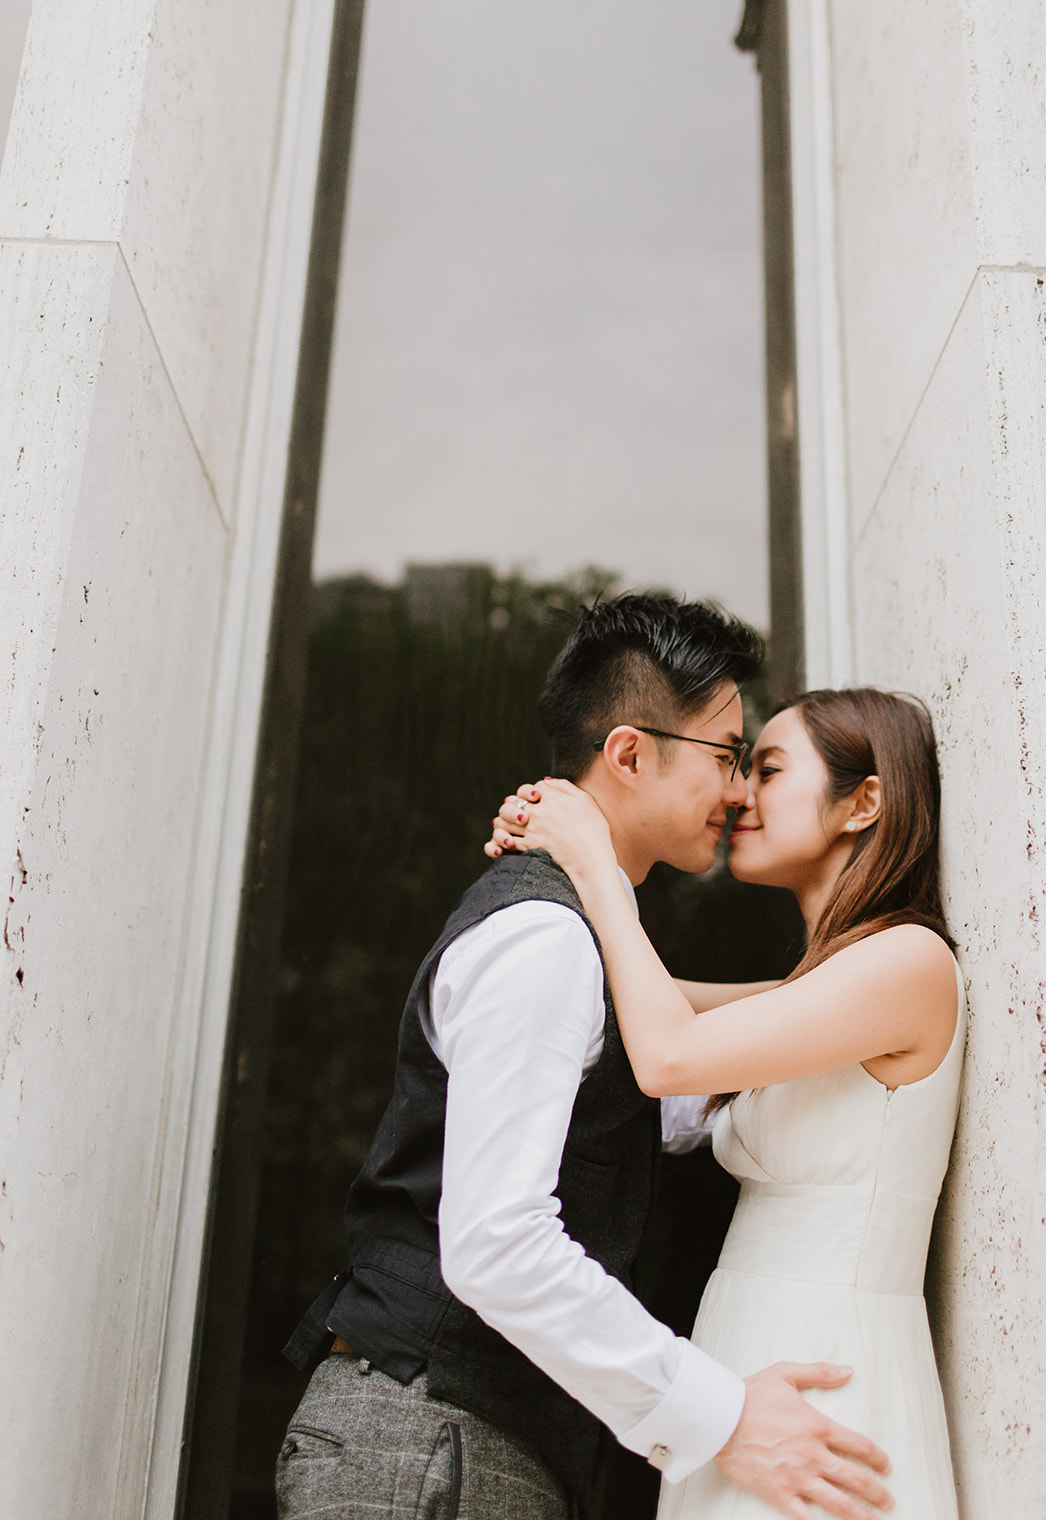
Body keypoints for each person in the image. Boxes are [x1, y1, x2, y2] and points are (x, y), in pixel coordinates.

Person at [277, 597, 893, 1520]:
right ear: (631, 754)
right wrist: (723, 1417)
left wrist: (852, 1008)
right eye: (727, 756)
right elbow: (496, 1246)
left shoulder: (586, 940)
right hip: (422, 1442)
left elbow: (655, 1106)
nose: (738, 792)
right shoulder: (543, 939)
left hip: (459, 1442)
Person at [490, 684, 963, 1519]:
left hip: (830, 1369)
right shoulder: (814, 990)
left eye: (768, 769)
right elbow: (640, 995)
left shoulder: (908, 963)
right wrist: (550, 853)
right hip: (744, 1359)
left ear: (864, 802)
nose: (738, 792)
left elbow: (668, 1054)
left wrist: (596, 864)